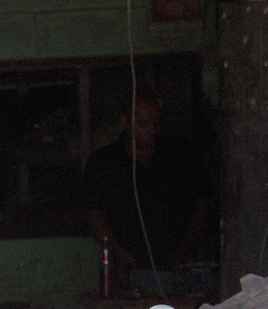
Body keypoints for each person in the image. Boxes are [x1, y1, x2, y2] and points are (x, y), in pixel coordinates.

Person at [83, 93, 214, 276]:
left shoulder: (181, 155)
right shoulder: (103, 162)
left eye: (157, 123)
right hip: (126, 272)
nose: (153, 130)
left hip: (179, 269)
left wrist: (184, 251)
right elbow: (95, 218)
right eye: (143, 124)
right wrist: (120, 255)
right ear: (125, 122)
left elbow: (203, 208)